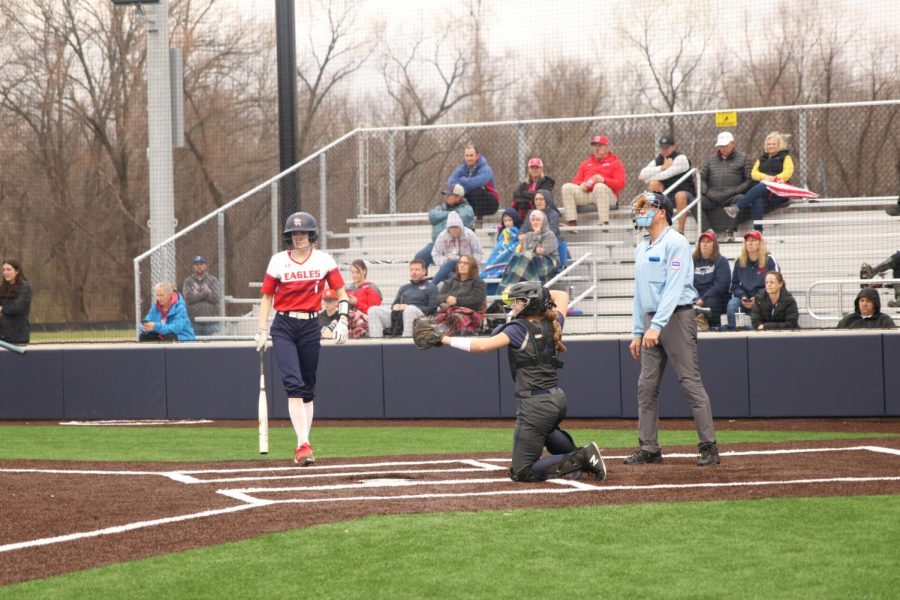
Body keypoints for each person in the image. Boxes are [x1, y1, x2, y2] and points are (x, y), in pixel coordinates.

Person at [438, 281, 607, 483]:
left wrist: (445, 340)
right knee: (546, 430)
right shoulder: (553, 321)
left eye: (519, 301)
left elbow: (482, 346)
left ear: (531, 304)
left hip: (536, 405)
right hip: (555, 399)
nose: (514, 305)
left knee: (522, 472)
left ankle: (582, 457)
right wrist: (542, 294)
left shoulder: (519, 329)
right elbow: (561, 295)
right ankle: (579, 456)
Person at [627, 192, 720, 467]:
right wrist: (637, 330)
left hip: (676, 318)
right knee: (646, 386)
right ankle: (649, 447)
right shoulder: (642, 246)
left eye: (646, 206)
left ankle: (708, 446)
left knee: (690, 382)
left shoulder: (676, 242)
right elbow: (639, 292)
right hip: (650, 322)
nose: (640, 211)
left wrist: (656, 326)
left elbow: (675, 286)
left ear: (661, 212)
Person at [256, 211, 351, 466]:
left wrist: (343, 320)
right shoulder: (278, 261)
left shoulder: (323, 260)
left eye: (303, 233)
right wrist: (262, 329)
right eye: (294, 234)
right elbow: (267, 297)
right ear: (289, 237)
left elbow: (342, 292)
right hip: (284, 325)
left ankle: (303, 441)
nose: (299, 238)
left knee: (308, 390)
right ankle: (303, 445)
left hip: (311, 324)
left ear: (312, 236)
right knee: (294, 385)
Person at [725, 131, 795, 238]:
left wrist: (773, 179)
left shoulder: (785, 157)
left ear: (779, 145)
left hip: (779, 191)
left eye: (773, 144)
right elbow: (754, 173)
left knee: (762, 186)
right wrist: (765, 177)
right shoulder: (761, 159)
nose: (770, 146)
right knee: (758, 199)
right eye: (769, 144)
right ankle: (758, 231)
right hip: (764, 190)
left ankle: (738, 208)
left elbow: (787, 174)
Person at [560, 134, 626, 227]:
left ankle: (604, 223)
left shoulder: (615, 163)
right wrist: (581, 184)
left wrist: (604, 180)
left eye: (600, 146)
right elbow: (576, 181)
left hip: (607, 197)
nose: (597, 149)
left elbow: (621, 184)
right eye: (595, 146)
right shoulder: (586, 163)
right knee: (566, 187)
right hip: (588, 194)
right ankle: (572, 223)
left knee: (599, 186)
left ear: (606, 147)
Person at [638, 135, 697, 235]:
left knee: (680, 195)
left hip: (685, 194)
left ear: (674, 147)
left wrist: (653, 175)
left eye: (667, 147)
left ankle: (681, 232)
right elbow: (641, 175)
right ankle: (657, 228)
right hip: (668, 195)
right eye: (662, 147)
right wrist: (662, 167)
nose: (664, 150)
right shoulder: (659, 160)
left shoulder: (681, 158)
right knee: (654, 184)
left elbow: (667, 174)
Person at [699, 131, 754, 235]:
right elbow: (701, 178)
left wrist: (736, 190)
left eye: (725, 145)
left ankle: (730, 230)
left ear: (733, 144)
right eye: (720, 146)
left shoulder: (744, 158)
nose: (722, 148)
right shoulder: (710, 160)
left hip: (732, 196)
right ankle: (707, 231)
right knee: (696, 201)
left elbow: (749, 180)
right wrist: (705, 191)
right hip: (712, 196)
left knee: (741, 199)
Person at [368, 259, 439, 338]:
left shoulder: (432, 287)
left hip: (421, 319)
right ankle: (376, 342)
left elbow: (432, 309)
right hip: (400, 317)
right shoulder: (404, 288)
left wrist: (407, 307)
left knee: (410, 309)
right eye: (411, 270)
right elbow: (393, 306)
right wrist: (395, 306)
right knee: (373, 310)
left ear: (424, 271)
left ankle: (406, 341)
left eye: (417, 269)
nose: (414, 272)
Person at [726, 230, 780, 329]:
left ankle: (759, 336)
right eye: (747, 240)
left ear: (760, 243)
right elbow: (734, 285)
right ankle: (734, 337)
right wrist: (742, 297)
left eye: (753, 240)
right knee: (732, 304)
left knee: (763, 308)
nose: (750, 242)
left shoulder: (769, 260)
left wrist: (757, 298)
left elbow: (776, 284)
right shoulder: (739, 261)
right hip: (744, 300)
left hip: (763, 299)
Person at [414, 183, 475, 269]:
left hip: (459, 246)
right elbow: (432, 216)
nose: (446, 197)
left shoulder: (467, 209)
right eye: (446, 195)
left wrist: (441, 221)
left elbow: (452, 226)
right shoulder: (441, 207)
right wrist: (450, 214)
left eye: (449, 195)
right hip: (438, 244)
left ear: (458, 197)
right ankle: (423, 281)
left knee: (450, 266)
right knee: (420, 258)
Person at [499, 209, 559, 291]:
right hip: (531, 261)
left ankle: (510, 288)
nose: (535, 222)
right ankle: (509, 288)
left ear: (544, 221)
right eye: (533, 220)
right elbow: (524, 252)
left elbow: (541, 251)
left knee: (528, 255)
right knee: (516, 256)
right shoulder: (528, 235)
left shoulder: (549, 234)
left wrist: (537, 235)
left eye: (538, 220)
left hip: (549, 263)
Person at [434, 256, 487, 335]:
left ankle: (440, 333)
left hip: (470, 314)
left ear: (472, 266)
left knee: (454, 318)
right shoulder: (451, 281)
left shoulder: (478, 282)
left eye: (465, 263)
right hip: (450, 312)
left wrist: (456, 301)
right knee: (433, 320)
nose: (462, 265)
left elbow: (476, 301)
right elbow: (438, 298)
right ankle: (438, 333)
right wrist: (447, 298)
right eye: (460, 262)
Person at [447, 144, 501, 220]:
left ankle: (478, 221)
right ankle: (456, 219)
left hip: (490, 204)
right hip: (473, 203)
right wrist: (461, 186)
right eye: (467, 155)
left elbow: (476, 183)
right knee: (456, 193)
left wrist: (462, 181)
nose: (469, 158)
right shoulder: (463, 168)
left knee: (476, 191)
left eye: (471, 155)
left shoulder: (486, 169)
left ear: (477, 156)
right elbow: (451, 182)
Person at [430, 211, 484, 287]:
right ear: (448, 228)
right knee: (451, 269)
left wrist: (470, 261)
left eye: (456, 227)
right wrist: (444, 260)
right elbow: (435, 254)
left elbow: (478, 252)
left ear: (460, 226)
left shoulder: (469, 234)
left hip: (467, 266)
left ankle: (432, 285)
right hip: (449, 268)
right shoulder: (442, 236)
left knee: (453, 267)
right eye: (451, 228)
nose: (454, 230)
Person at [692, 230, 731, 329]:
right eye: (703, 242)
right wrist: (695, 297)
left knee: (710, 303)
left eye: (708, 242)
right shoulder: (693, 261)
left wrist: (703, 299)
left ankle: (713, 328)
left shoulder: (722, 261)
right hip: (696, 294)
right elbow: (687, 282)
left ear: (714, 245)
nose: (705, 244)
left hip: (714, 295)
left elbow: (721, 285)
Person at [181, 255, 222, 336]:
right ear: (193, 267)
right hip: (193, 321)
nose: (199, 266)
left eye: (201, 264)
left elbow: (216, 298)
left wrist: (197, 294)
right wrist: (206, 292)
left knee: (213, 346)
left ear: (206, 265)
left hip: (211, 321)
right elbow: (188, 298)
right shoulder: (188, 281)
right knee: (194, 347)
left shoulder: (213, 280)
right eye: (196, 264)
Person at [511, 157, 556, 223]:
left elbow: (542, 195)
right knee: (521, 203)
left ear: (541, 169)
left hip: (543, 212)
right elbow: (516, 195)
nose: (534, 170)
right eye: (532, 168)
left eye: (537, 167)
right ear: (529, 169)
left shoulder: (547, 182)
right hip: (527, 212)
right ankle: (522, 225)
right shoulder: (524, 184)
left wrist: (525, 194)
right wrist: (530, 195)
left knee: (536, 200)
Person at [345, 259, 382, 338]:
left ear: (364, 271)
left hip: (366, 323)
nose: (354, 275)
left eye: (357, 272)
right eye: (352, 272)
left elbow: (374, 312)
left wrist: (357, 303)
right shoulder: (347, 288)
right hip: (349, 321)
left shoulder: (371, 288)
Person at [0, 259, 32, 345]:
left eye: (9, 269)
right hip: (3, 337)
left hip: (18, 337)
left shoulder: (25, 288)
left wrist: (2, 309)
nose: (5, 272)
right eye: (4, 270)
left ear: (17, 271)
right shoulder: (3, 289)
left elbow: (17, 308)